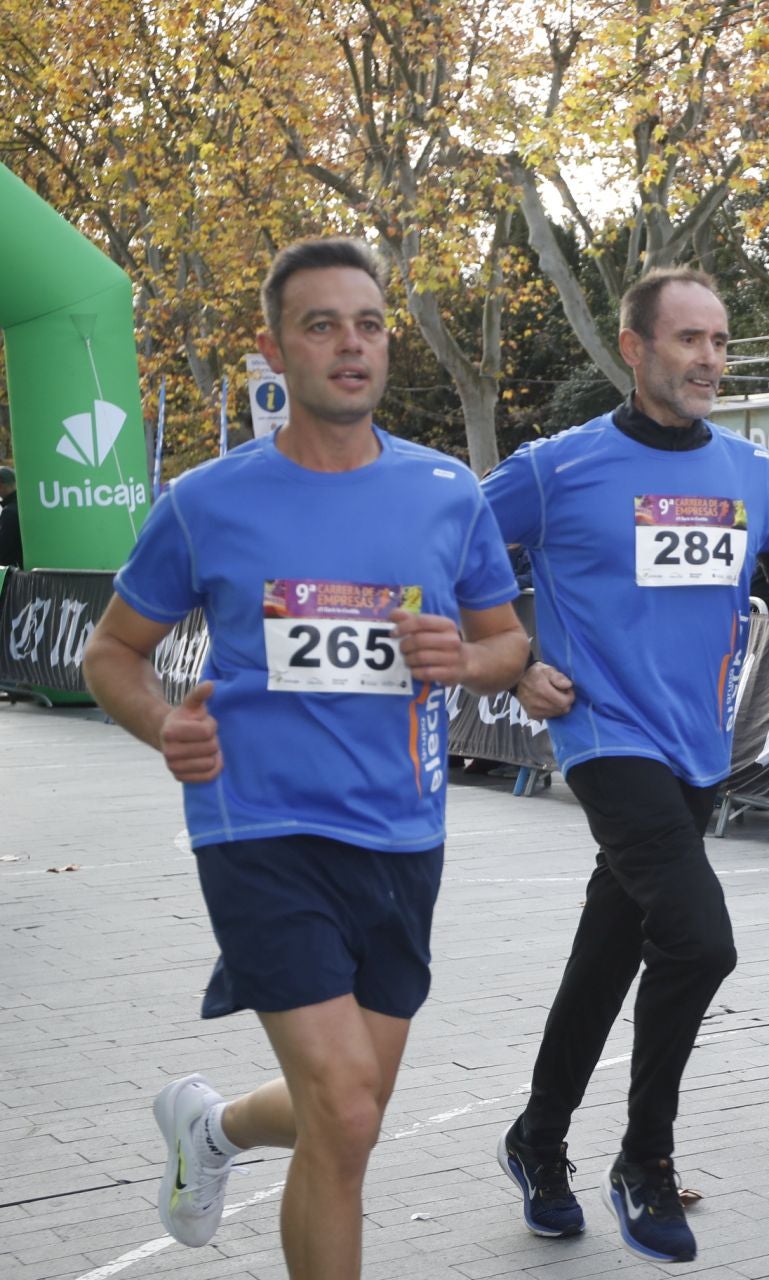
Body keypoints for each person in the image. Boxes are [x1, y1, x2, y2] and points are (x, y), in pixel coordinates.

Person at [80, 236, 529, 1277]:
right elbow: (111, 653)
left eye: (367, 325)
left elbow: (508, 644)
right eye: (322, 326)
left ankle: (213, 1128)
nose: (350, 345)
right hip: (258, 828)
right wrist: (163, 725)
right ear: (276, 350)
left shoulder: (446, 491)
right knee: (348, 1106)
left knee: (349, 1112)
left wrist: (465, 659)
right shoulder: (205, 501)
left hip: (403, 833)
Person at [483, 267, 769, 1262]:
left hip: (697, 746)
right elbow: (449, 554)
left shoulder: (750, 471)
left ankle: (537, 1137)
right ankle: (645, 1157)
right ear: (634, 350)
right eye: (688, 339)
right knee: (701, 940)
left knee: (611, 950)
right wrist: (515, 660)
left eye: (719, 341)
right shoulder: (556, 468)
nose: (710, 359)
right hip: (604, 735)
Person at [0, 463, 21, 567]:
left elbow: (3, 551)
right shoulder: (24, 505)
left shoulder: (9, 512)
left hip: (16, 571)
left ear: (1, 485)